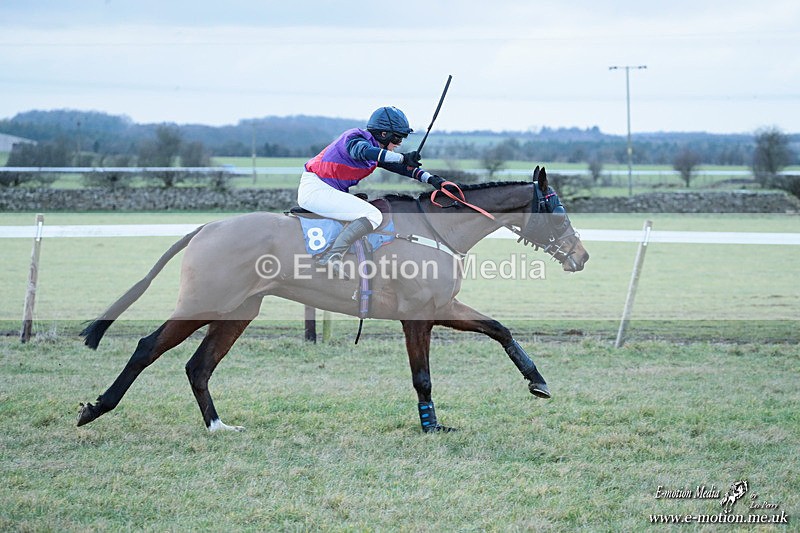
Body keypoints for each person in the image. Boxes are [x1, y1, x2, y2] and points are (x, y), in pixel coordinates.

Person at [297, 106, 448, 274]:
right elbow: (364, 151)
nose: (398, 145)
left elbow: (403, 167)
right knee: (373, 215)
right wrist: (402, 157)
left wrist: (432, 179)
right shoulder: (355, 138)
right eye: (397, 139)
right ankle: (333, 256)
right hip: (317, 190)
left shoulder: (377, 151)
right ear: (384, 134)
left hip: (326, 190)